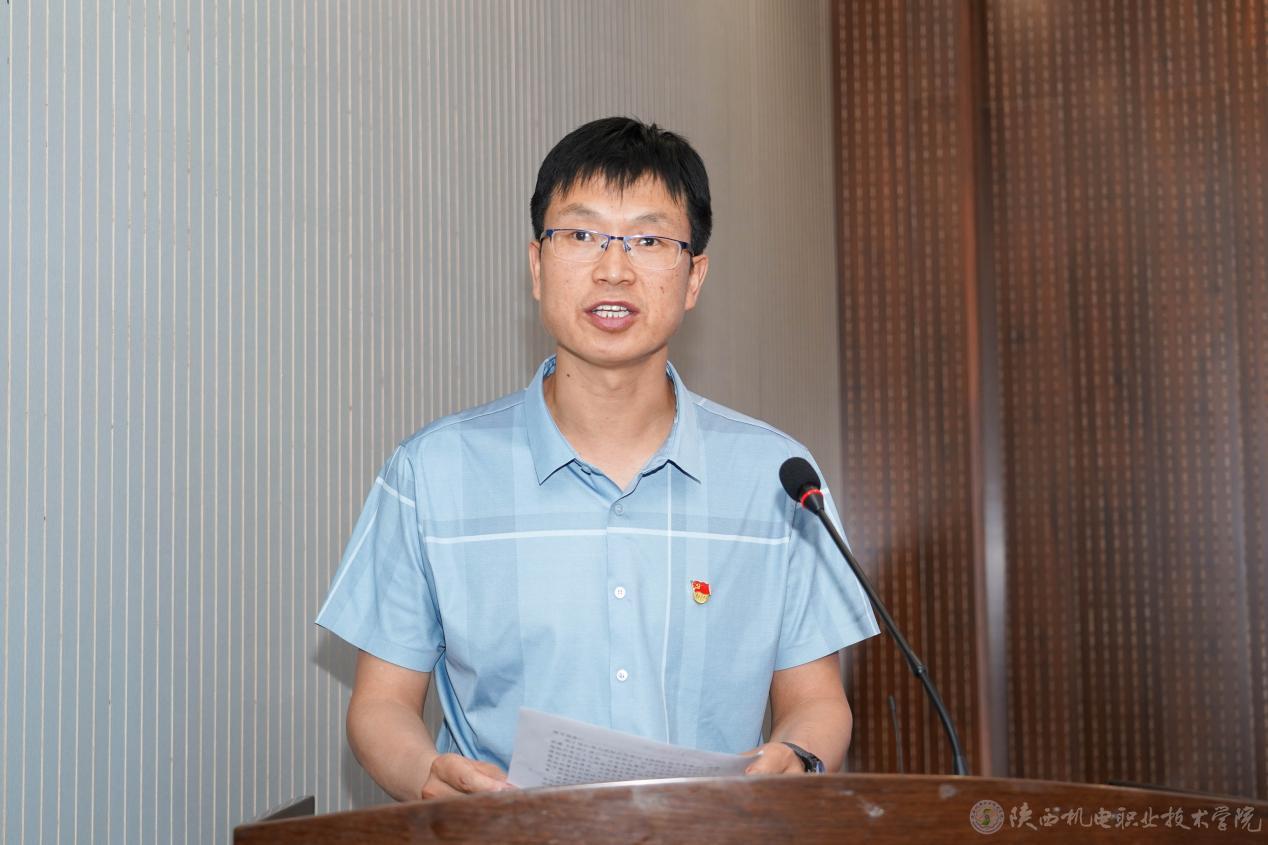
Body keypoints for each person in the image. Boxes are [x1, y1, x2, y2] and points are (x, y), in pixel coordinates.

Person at [316, 116, 880, 801]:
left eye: (649, 240)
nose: (614, 269)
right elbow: (380, 706)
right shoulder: (432, 474)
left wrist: (798, 757)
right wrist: (426, 776)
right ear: (537, 265)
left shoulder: (778, 479)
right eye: (582, 235)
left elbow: (817, 701)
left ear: (694, 277)